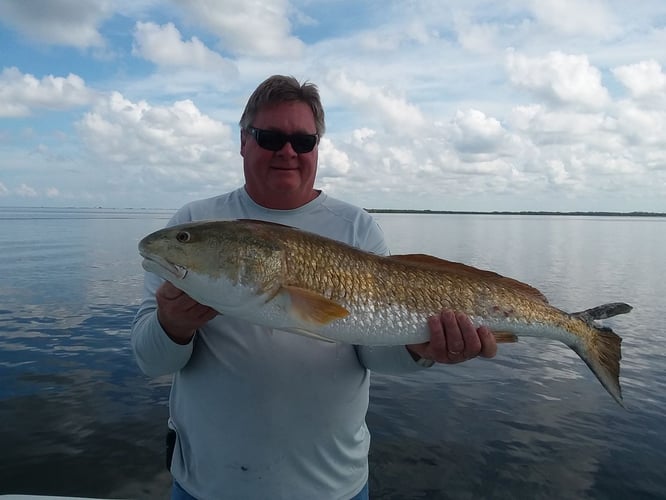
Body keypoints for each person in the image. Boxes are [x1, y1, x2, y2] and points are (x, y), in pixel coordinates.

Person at [131, 75, 497, 500]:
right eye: (270, 137)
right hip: (208, 485)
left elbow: (371, 349)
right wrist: (171, 325)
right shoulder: (193, 222)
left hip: (333, 487)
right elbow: (148, 360)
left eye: (303, 142)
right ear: (243, 141)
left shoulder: (356, 227)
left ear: (317, 148)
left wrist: (419, 350)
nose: (287, 151)